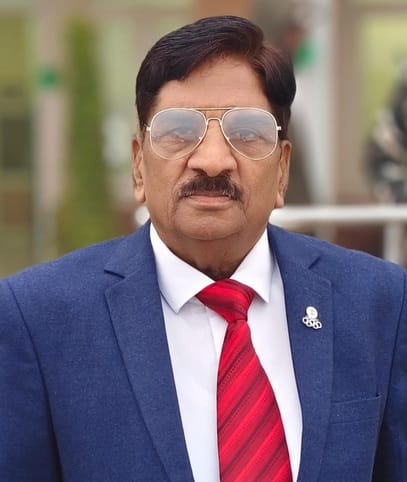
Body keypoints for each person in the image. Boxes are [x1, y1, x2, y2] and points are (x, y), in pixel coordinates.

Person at [0, 16, 406, 482]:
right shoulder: (38, 319)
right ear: (138, 166)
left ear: (282, 171)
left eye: (247, 132)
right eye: (178, 130)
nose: (212, 160)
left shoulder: (378, 304)